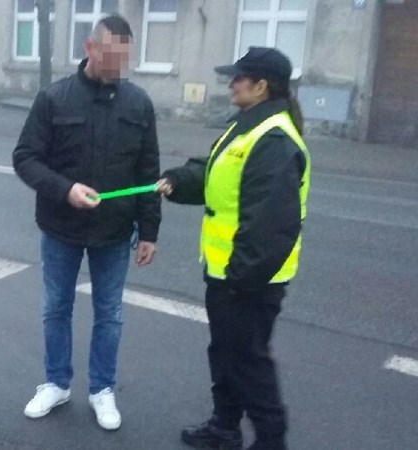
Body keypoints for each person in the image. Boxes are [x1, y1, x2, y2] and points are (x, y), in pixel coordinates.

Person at [156, 47, 311, 450]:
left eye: (238, 78)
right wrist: (179, 180)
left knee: (248, 362)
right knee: (226, 354)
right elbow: (217, 176)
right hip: (228, 274)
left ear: (261, 86)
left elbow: (271, 226)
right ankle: (224, 427)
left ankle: (271, 442)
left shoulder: (274, 140)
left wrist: (240, 281)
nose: (230, 83)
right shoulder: (246, 126)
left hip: (248, 282)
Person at [12, 14, 160, 431]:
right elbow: (25, 158)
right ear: (89, 48)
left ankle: (102, 390)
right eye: (111, 56)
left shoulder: (139, 104)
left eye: (124, 59)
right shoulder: (54, 99)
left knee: (109, 312)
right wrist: (64, 189)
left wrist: (149, 231)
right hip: (61, 228)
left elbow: (148, 173)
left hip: (114, 232)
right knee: (56, 308)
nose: (118, 67)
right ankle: (56, 383)